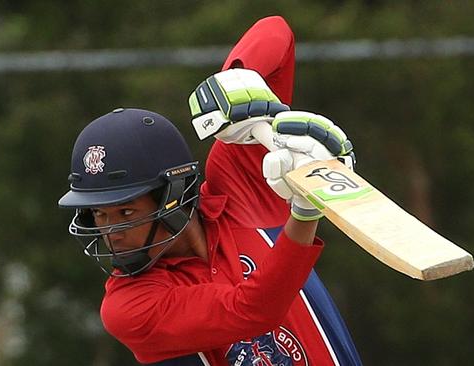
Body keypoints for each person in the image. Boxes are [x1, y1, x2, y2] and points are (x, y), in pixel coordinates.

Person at [59, 16, 362, 365]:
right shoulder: (128, 305)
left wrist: (231, 87)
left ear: (172, 196)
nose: (111, 233)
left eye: (126, 212)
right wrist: (306, 210)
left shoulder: (237, 185)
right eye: (99, 214)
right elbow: (254, 309)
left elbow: (275, 32)